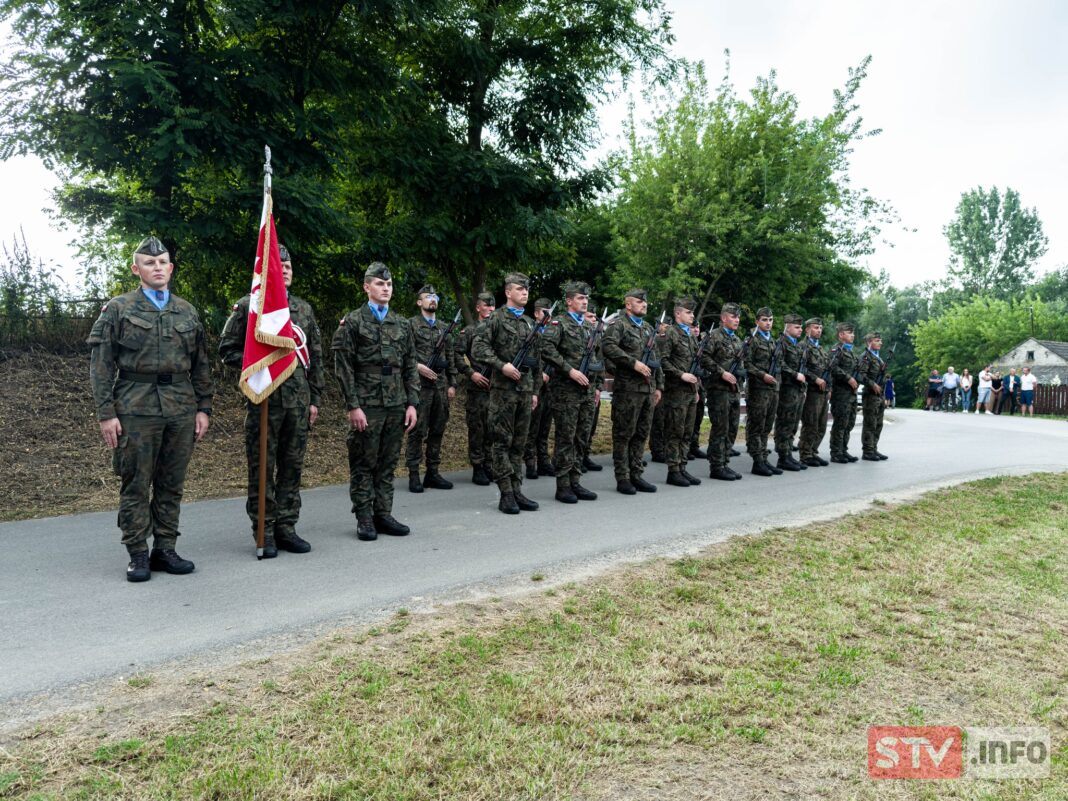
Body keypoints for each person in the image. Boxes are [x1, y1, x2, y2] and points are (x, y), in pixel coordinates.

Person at [87, 236, 214, 582]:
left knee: (172, 482)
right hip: (135, 405)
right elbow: (100, 365)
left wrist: (204, 408)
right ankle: (138, 553)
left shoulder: (187, 311)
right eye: (149, 263)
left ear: (171, 268)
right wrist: (106, 413)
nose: (157, 268)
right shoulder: (119, 309)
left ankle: (165, 549)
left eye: (162, 263)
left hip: (181, 406)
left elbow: (201, 364)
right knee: (136, 482)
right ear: (136, 269)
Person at [219, 243, 323, 557]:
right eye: (280, 264)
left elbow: (315, 356)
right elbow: (228, 350)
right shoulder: (249, 305)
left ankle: (287, 528)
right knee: (262, 467)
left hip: (298, 402)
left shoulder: (303, 309)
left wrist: (315, 399)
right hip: (265, 400)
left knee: (292, 467)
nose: (286, 269)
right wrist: (260, 364)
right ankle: (264, 531)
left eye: (289, 265)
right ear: (267, 269)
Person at [332, 262, 419, 541]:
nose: (386, 288)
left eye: (389, 284)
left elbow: (409, 366)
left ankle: (383, 513)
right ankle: (364, 518)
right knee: (363, 462)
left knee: (388, 462)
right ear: (367, 287)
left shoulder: (401, 324)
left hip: (396, 402)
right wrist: (353, 405)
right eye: (380, 284)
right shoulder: (353, 322)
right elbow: (343, 367)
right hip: (367, 403)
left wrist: (412, 403)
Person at [472, 273, 546, 514]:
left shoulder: (528, 323)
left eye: (526, 289)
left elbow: (536, 361)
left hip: (525, 392)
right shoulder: (495, 319)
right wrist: (501, 365)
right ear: (508, 292)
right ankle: (505, 493)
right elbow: (478, 348)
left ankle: (517, 489)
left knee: (519, 444)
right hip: (503, 391)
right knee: (502, 442)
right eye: (519, 289)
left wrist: (535, 390)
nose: (524, 292)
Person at [539, 281, 600, 503]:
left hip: (586, 390)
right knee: (566, 437)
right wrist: (569, 370)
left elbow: (595, 357)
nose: (584, 302)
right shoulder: (559, 324)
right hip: (565, 390)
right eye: (580, 298)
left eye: (586, 299)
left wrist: (596, 385)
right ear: (569, 301)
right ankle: (562, 485)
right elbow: (546, 349)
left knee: (581, 436)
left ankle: (576, 481)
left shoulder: (588, 327)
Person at [601, 288, 664, 494]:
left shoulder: (647, 329)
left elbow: (656, 360)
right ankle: (623, 477)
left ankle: (636, 474)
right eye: (639, 302)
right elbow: (608, 347)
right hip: (627, 389)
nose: (644, 304)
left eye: (645, 302)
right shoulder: (619, 325)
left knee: (641, 433)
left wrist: (658, 386)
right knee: (623, 434)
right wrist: (633, 363)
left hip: (647, 389)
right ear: (628, 304)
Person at [406, 285, 458, 493]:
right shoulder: (411, 325)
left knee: (437, 430)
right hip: (420, 387)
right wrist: (419, 367)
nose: (432, 299)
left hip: (440, 387)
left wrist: (453, 384)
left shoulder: (444, 328)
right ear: (419, 302)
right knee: (417, 431)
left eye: (435, 296)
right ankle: (413, 474)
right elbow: (404, 354)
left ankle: (432, 472)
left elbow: (451, 358)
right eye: (428, 297)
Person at [658, 297, 702, 487]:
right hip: (676, 391)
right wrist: (681, 375)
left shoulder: (691, 335)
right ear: (677, 314)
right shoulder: (671, 334)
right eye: (688, 312)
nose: (692, 316)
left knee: (687, 432)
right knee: (675, 431)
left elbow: (695, 364)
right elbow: (663, 361)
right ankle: (673, 470)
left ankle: (682, 467)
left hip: (691, 392)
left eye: (692, 313)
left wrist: (696, 388)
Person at [453, 292, 496, 485]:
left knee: (493, 429)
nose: (490, 309)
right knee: (477, 428)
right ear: (478, 308)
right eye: (487, 306)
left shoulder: (499, 330)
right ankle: (478, 466)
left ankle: (489, 464)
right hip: (477, 388)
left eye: (493, 306)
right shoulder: (469, 331)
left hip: (496, 389)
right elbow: (456, 355)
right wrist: (471, 373)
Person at [700, 303, 745, 481]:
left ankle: (725, 462)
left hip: (733, 390)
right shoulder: (714, 337)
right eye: (733, 317)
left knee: (732, 428)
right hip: (718, 390)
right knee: (721, 428)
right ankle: (716, 466)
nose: (737, 320)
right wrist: (721, 372)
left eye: (738, 317)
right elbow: (703, 357)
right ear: (724, 318)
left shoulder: (737, 339)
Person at [744, 307, 781, 477]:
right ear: (757, 321)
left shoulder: (772, 341)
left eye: (771, 320)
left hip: (771, 389)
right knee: (756, 425)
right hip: (758, 389)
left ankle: (764, 458)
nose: (768, 323)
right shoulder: (752, 340)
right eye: (765, 320)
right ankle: (757, 461)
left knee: (766, 426)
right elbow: (747, 364)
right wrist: (762, 375)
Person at [524, 297, 557, 479]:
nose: (548, 315)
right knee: (532, 427)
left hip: (551, 387)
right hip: (534, 385)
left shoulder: (552, 331)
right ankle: (530, 463)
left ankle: (544, 461)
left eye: (550, 312)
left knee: (545, 426)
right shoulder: (530, 329)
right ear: (537, 313)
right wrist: (540, 374)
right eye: (545, 312)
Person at [773, 313, 807, 472]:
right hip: (786, 389)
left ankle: (788, 454)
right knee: (785, 423)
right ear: (787, 327)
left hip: (797, 390)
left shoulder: (797, 345)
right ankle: (783, 457)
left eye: (801, 327)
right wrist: (794, 374)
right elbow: (779, 364)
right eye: (797, 327)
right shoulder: (781, 343)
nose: (800, 330)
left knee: (793, 424)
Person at [798, 317, 831, 467]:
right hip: (810, 391)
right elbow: (801, 368)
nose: (819, 330)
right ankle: (805, 454)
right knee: (810, 424)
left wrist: (828, 388)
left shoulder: (820, 349)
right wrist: (815, 379)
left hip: (823, 393)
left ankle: (813, 451)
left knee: (821, 425)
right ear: (807, 330)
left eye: (820, 328)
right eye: (815, 327)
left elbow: (826, 371)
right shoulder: (802, 347)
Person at [579, 304, 605, 473]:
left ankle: (584, 455)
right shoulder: (577, 332)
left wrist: (598, 386)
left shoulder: (596, 336)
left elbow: (600, 363)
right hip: (574, 386)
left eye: (594, 317)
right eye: (590, 317)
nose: (593, 320)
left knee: (589, 425)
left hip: (592, 386)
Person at [829, 322, 860, 464]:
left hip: (851, 395)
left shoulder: (850, 352)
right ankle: (836, 452)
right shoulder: (837, 350)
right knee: (840, 423)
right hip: (841, 394)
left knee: (849, 423)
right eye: (849, 332)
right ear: (841, 335)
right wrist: (848, 378)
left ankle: (843, 449)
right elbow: (832, 367)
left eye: (853, 333)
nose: (852, 335)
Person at [858, 331, 888, 461]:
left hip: (879, 395)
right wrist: (872, 384)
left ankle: (874, 448)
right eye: (877, 340)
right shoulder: (866, 357)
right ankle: (868, 451)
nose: (880, 343)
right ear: (869, 342)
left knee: (878, 423)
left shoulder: (879, 358)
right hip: (870, 395)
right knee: (870, 423)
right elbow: (861, 375)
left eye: (880, 340)